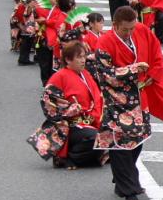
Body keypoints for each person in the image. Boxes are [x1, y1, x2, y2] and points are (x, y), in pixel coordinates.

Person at [92, 6, 163, 200]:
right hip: (116, 100)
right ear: (115, 25)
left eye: (132, 28)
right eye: (125, 29)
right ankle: (128, 190)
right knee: (120, 145)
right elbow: (106, 75)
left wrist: (151, 74)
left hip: (139, 96)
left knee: (137, 141)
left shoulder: (140, 32)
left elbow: (155, 52)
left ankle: (123, 181)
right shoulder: (104, 43)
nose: (129, 33)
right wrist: (133, 68)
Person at [28, 37, 107, 170]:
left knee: (113, 135)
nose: (83, 60)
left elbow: (98, 97)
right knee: (96, 138)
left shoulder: (86, 74)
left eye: (84, 56)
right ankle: (68, 157)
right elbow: (48, 100)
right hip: (71, 124)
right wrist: (71, 109)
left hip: (89, 121)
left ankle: (87, 156)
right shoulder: (60, 77)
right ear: (68, 60)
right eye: (79, 57)